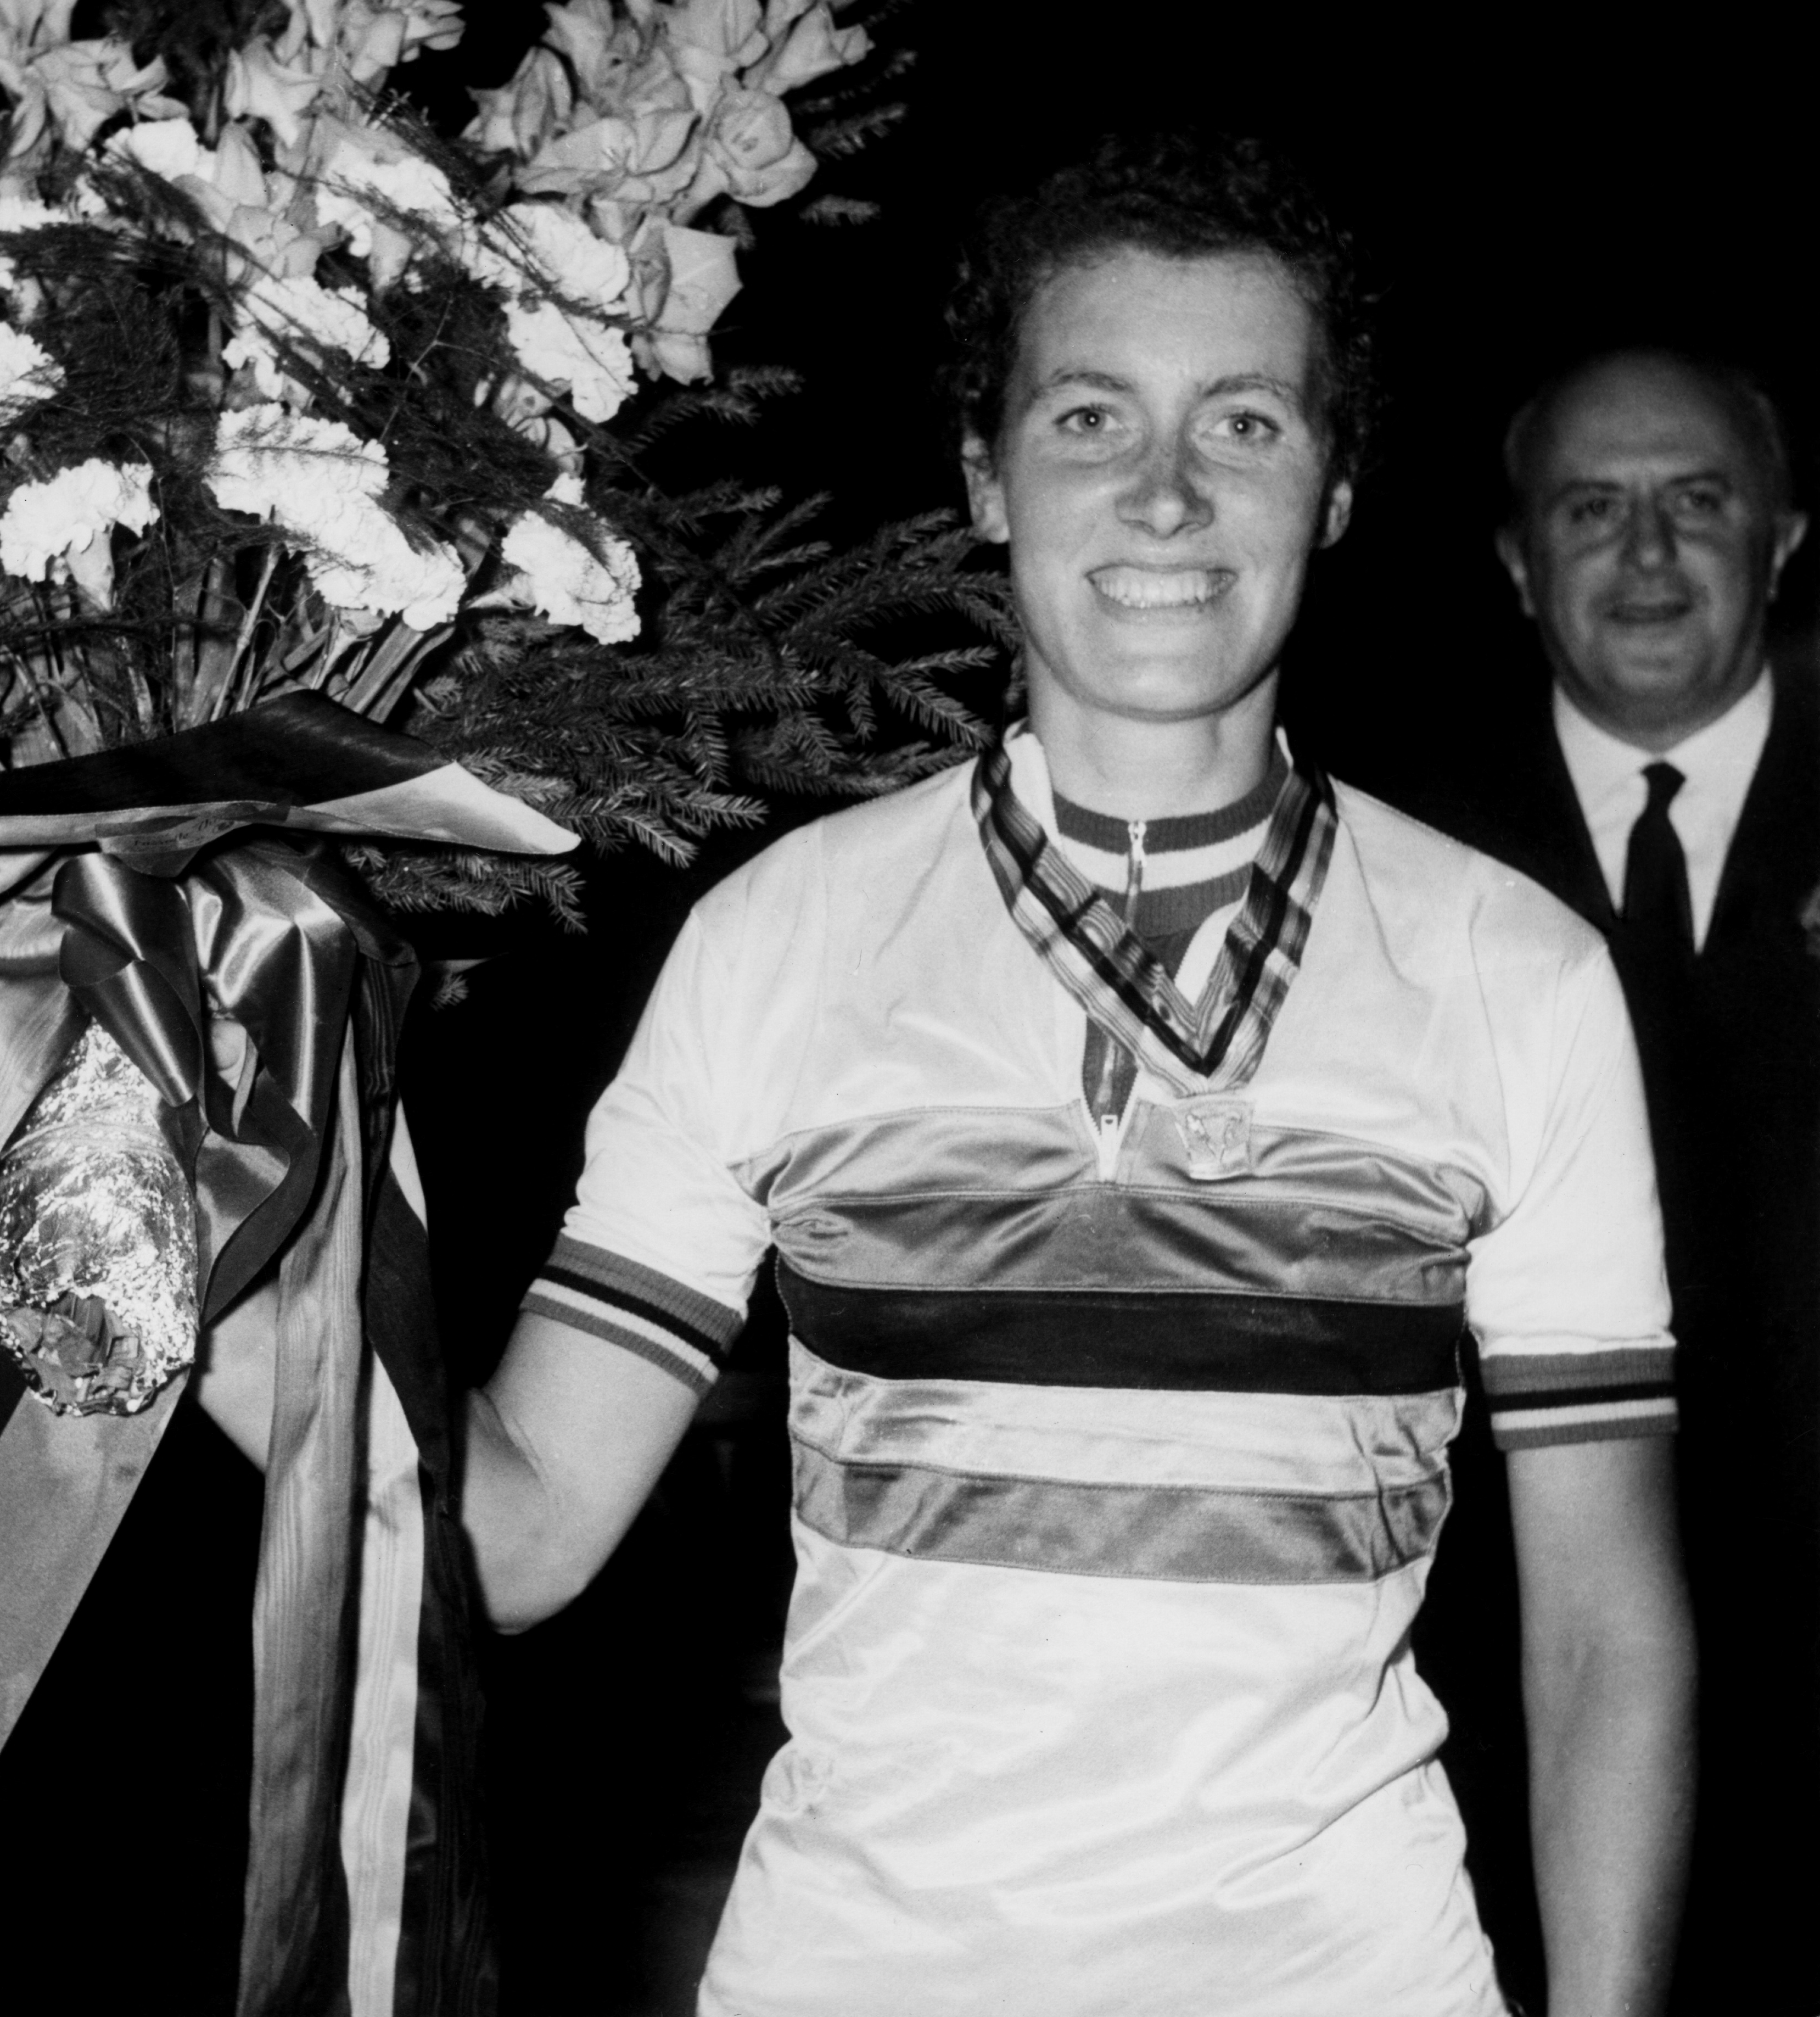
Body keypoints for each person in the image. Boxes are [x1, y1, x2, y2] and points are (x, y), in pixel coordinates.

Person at [206, 137, 1701, 2013]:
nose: (1164, 492)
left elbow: (1600, 1634)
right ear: (991, 477)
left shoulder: (1517, 975)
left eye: (1243, 421)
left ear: (1332, 489)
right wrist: (190, 1220)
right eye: (1092, 416)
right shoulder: (783, 938)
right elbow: (506, 1535)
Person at [1402, 349, 1813, 2015]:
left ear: (1786, 537)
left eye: (1699, 501)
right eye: (1593, 508)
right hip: (1505, 1728)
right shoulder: (1398, 854)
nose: (1648, 556)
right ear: (1516, 560)